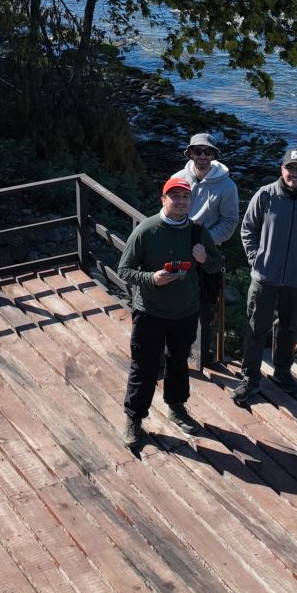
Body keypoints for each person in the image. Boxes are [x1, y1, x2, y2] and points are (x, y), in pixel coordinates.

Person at [117, 175, 223, 447]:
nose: (180, 201)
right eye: (174, 196)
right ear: (163, 199)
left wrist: (204, 259)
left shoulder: (198, 232)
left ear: (191, 201)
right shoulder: (146, 230)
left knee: (179, 363)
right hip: (150, 312)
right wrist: (150, 279)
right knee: (144, 366)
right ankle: (134, 418)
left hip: (186, 312)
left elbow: (216, 265)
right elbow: (124, 270)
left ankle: (176, 408)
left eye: (185, 197)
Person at [234, 148, 297, 405]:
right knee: (257, 329)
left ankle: (282, 372)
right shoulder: (265, 195)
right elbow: (248, 229)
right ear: (282, 169)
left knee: (290, 329)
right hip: (265, 278)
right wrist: (256, 258)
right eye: (290, 168)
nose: (294, 173)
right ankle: (250, 377)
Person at [170, 132, 239, 368]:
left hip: (207, 254)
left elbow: (230, 223)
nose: (202, 156)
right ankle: (177, 350)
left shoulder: (227, 186)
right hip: (177, 248)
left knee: (205, 305)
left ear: (214, 155)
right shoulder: (178, 178)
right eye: (197, 151)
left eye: (207, 152)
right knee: (176, 299)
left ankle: (202, 355)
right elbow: (166, 212)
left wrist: (204, 242)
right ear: (189, 153)